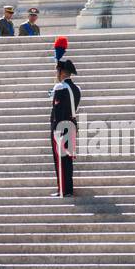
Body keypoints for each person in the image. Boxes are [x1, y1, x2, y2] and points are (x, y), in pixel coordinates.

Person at [50, 36, 82, 197]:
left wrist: (56, 131)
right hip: (72, 125)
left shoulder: (60, 87)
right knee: (67, 160)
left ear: (62, 72)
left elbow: (57, 112)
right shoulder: (77, 88)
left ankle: (63, 189)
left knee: (61, 160)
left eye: (58, 71)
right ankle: (67, 188)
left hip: (61, 127)